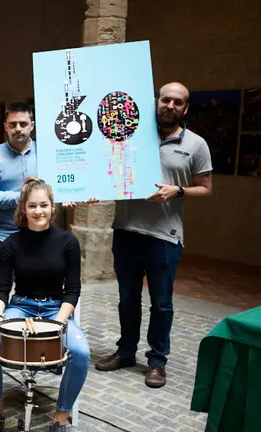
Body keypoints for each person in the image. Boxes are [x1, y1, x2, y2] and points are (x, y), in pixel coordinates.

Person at [96, 82, 213, 388]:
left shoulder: (196, 145)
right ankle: (125, 352)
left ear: (185, 108)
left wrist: (179, 191)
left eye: (177, 102)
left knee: (161, 303)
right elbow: (108, 167)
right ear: (156, 102)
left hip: (165, 235)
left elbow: (206, 188)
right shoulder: (131, 135)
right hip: (127, 230)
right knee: (127, 299)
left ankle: (157, 361)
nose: (170, 106)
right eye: (165, 100)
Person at [0, 177, 89, 432]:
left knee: (81, 353)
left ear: (52, 207)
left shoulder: (68, 242)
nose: (38, 211)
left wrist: (60, 322)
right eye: (32, 206)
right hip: (21, 307)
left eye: (44, 205)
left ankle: (60, 417)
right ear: (23, 209)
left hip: (55, 309)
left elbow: (72, 290)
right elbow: (1, 288)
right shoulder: (11, 244)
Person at [0, 102, 38, 319]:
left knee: (34, 293)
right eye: (13, 124)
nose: (18, 129)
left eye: (23, 124)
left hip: (38, 237)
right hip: (3, 238)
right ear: (5, 127)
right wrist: (25, 197)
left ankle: (29, 342)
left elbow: (57, 189)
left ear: (32, 125)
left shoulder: (47, 154)